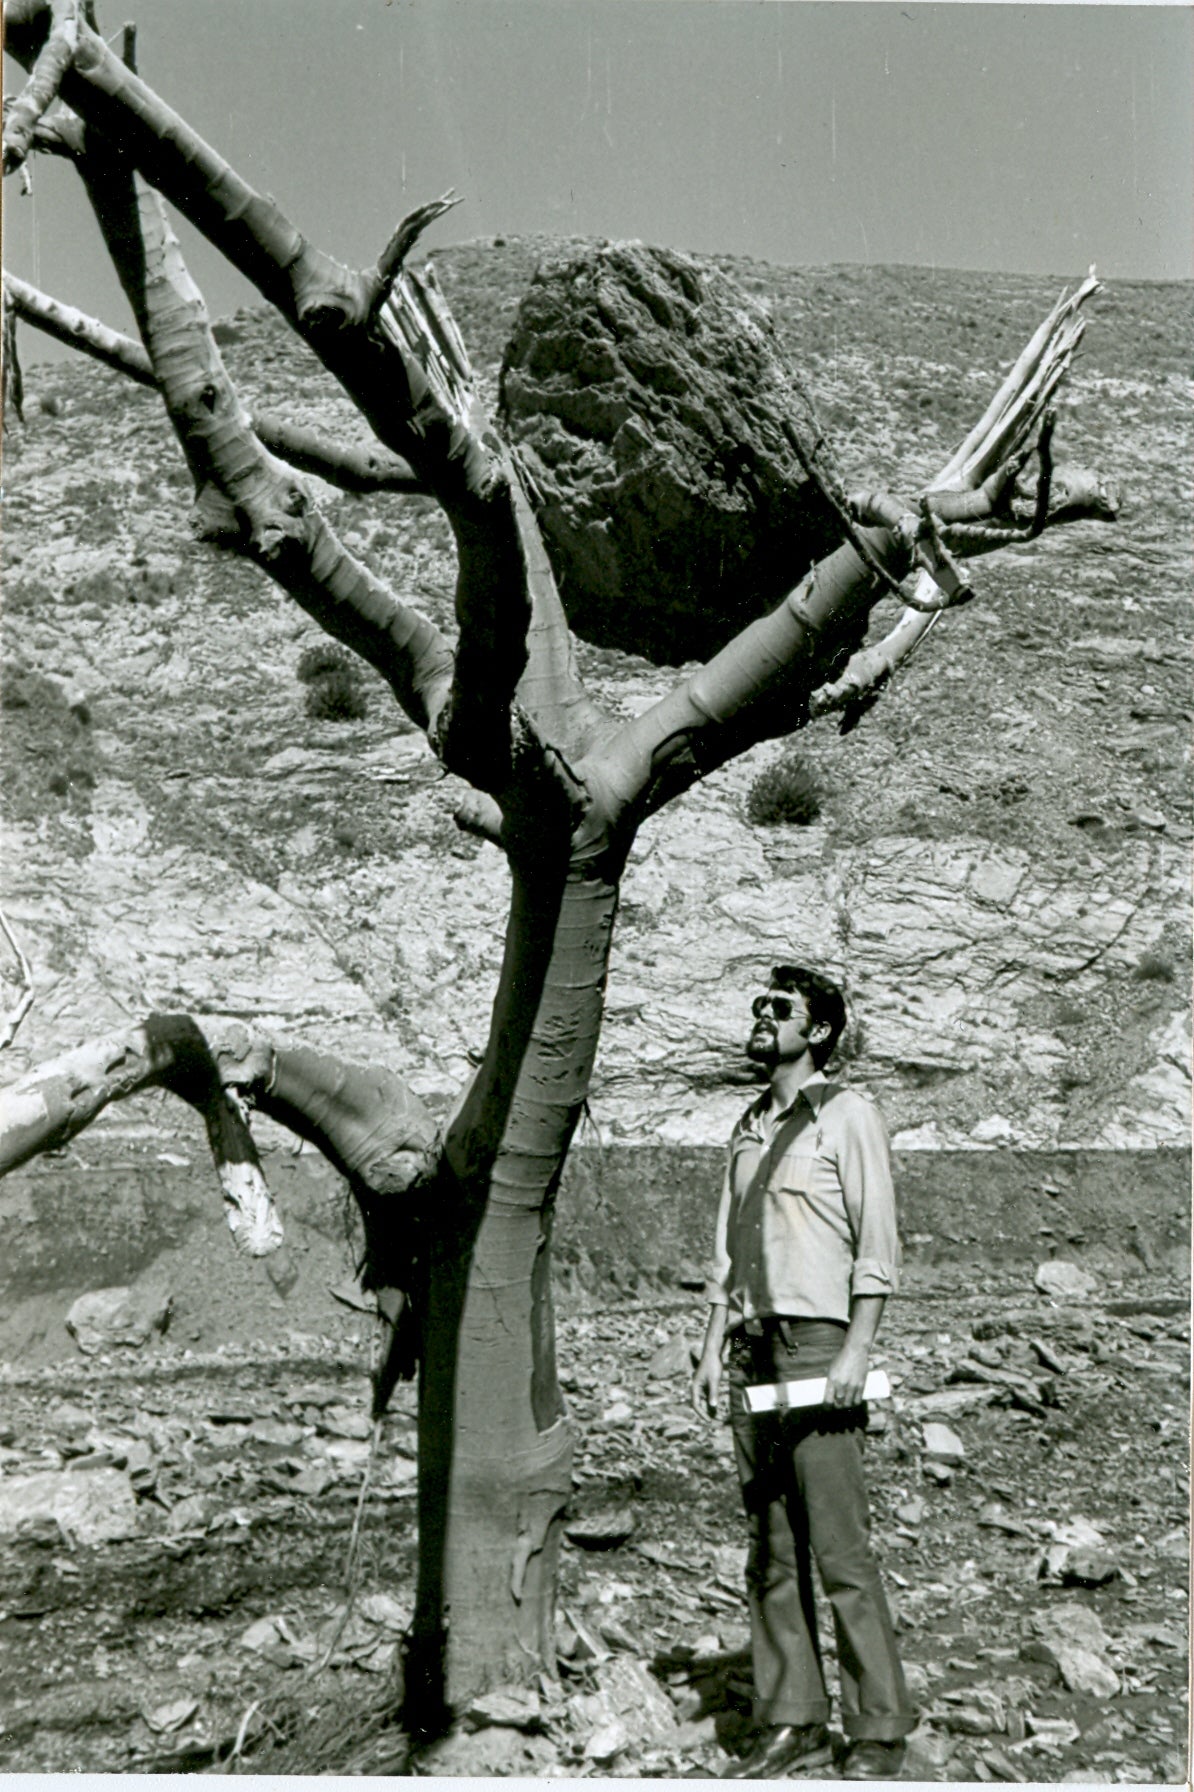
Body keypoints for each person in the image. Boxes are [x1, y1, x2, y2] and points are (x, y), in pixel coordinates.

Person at [692, 964, 915, 1780]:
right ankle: (793, 1718)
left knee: (841, 1548)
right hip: (753, 1343)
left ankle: (881, 1729)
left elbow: (877, 1243)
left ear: (817, 1031)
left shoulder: (848, 1116)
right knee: (771, 1544)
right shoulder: (748, 1125)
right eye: (758, 1006)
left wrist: (858, 1348)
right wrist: (712, 1341)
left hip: (821, 1345)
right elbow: (724, 1246)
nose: (762, 1017)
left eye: (779, 1009)